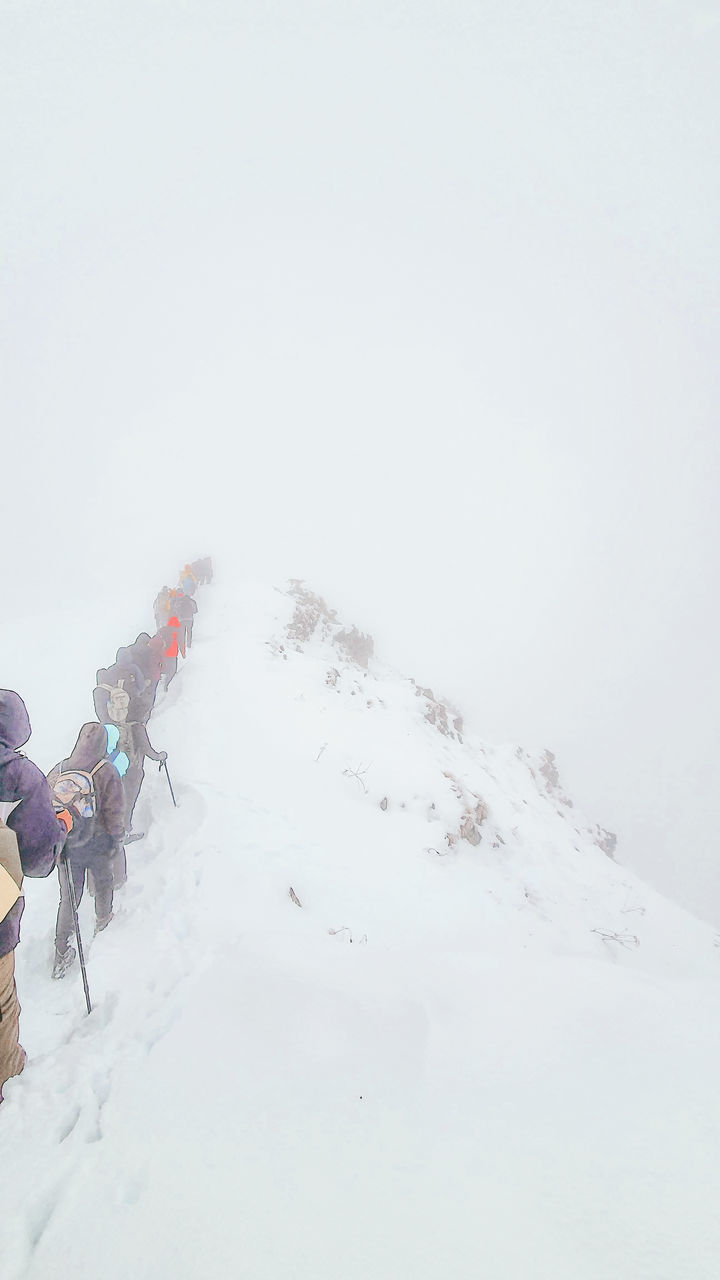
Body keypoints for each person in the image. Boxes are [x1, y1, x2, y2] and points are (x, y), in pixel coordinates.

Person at [0, 691, 69, 1100]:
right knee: (3, 1006)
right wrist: (60, 826)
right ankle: (9, 1088)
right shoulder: (17, 777)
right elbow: (40, 859)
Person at [48, 724, 125, 978]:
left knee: (69, 896)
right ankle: (103, 921)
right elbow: (114, 810)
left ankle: (61, 951)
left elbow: (44, 803)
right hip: (97, 843)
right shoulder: (105, 770)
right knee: (103, 883)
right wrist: (116, 838)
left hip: (66, 844)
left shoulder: (60, 769)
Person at [159, 615, 182, 690]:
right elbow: (181, 643)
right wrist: (183, 653)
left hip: (164, 653)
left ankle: (165, 683)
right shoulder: (177, 631)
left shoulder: (163, 630)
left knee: (167, 669)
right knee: (172, 671)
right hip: (173, 654)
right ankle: (168, 686)